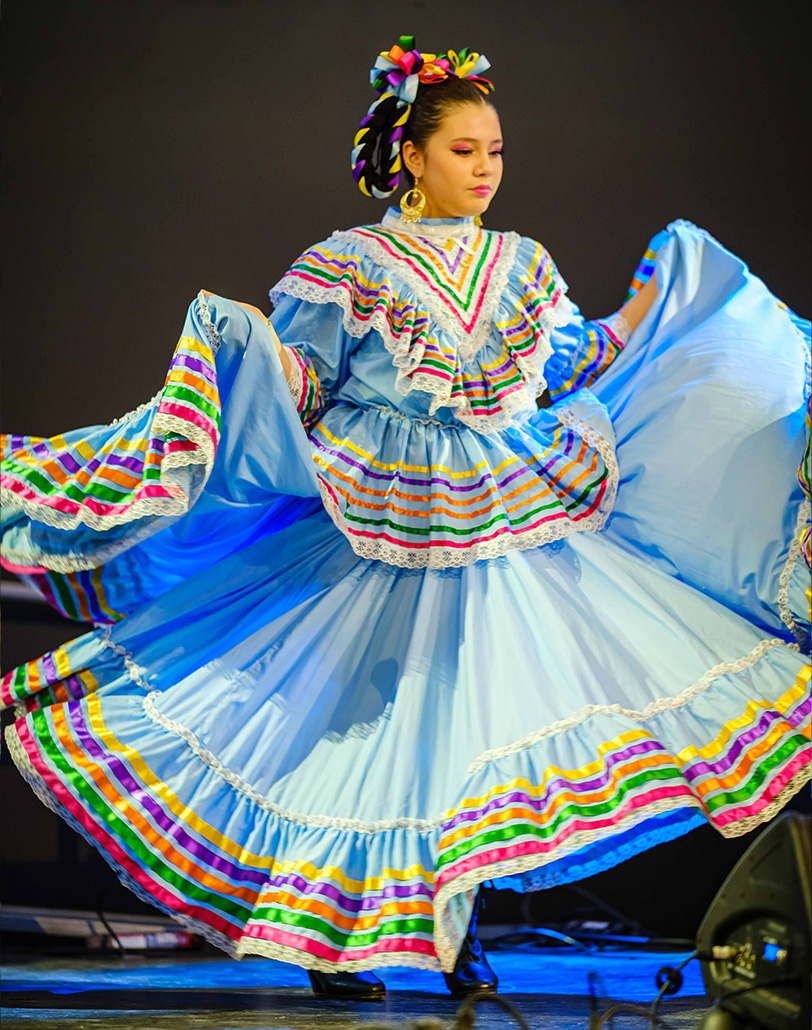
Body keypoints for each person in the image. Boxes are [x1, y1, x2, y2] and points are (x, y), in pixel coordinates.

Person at [2, 37, 809, 1001]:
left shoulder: (521, 262)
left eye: (496, 151)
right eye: (465, 150)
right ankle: (338, 937)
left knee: (486, 721)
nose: (486, 169)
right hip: (382, 520)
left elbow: (561, 364)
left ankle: (450, 924)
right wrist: (249, 358)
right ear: (412, 157)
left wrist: (653, 323)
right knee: (361, 734)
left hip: (506, 509)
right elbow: (308, 378)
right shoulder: (348, 265)